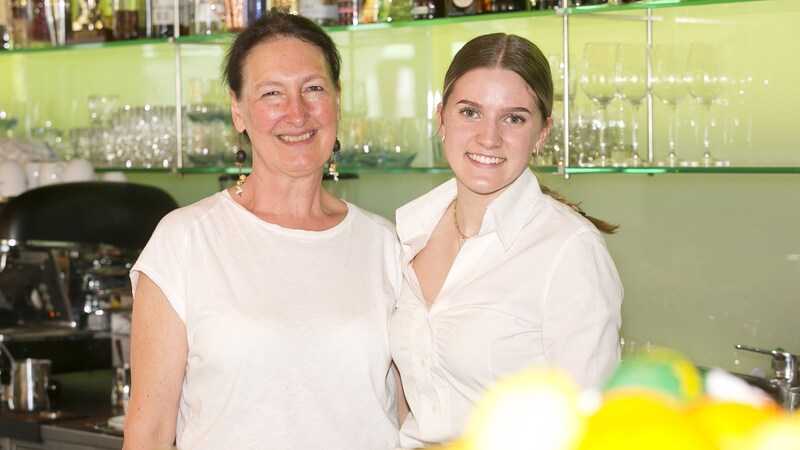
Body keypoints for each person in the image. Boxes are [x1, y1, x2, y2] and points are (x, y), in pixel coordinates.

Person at [123, 12, 402, 450]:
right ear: (238, 110)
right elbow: (150, 434)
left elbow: (409, 417)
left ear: (337, 101)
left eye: (313, 88)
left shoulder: (385, 245)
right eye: (272, 93)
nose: (297, 112)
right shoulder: (184, 240)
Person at [389, 33, 623, 447]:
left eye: (514, 118)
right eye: (470, 112)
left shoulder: (569, 251)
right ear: (441, 119)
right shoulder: (409, 233)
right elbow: (410, 397)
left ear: (541, 134)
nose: (489, 137)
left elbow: (590, 428)